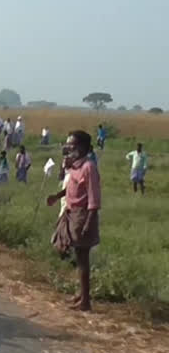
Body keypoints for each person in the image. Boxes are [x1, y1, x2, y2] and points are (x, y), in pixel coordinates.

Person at [48, 131, 100, 312]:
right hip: (70, 213)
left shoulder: (89, 167)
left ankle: (85, 301)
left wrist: (88, 223)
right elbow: (71, 187)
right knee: (74, 255)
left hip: (82, 216)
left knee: (82, 258)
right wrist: (57, 196)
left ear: (82, 148)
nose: (68, 148)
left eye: (72, 145)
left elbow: (94, 198)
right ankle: (81, 295)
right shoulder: (75, 167)